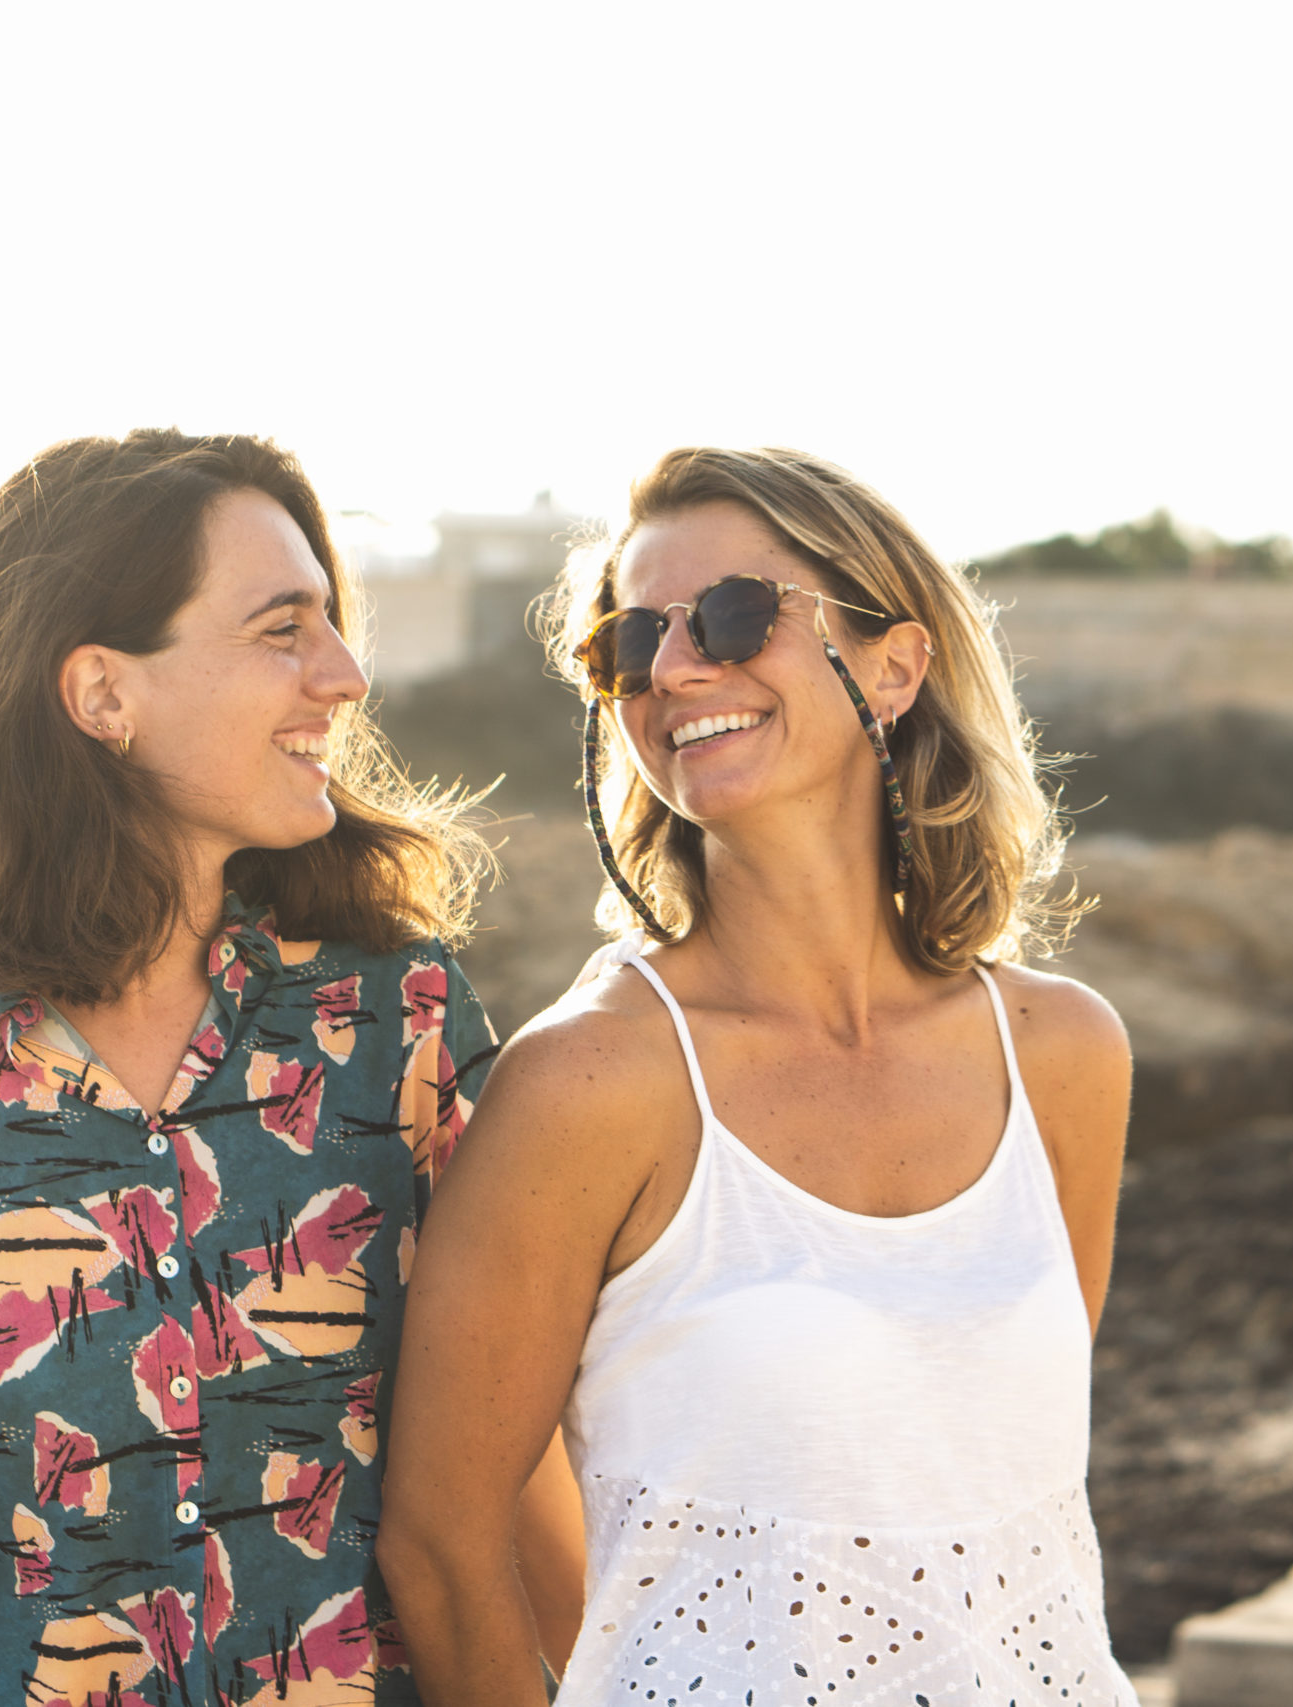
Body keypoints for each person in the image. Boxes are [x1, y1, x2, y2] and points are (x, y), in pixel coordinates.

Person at [0, 430, 583, 1707]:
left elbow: (511, 1474)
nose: (345, 676)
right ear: (102, 695)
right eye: (281, 628)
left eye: (332, 624)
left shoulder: (395, 1029)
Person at [379, 447, 1141, 1706]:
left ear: (894, 666)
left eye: (734, 616)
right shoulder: (589, 1083)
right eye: (630, 642)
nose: (676, 668)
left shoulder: (1063, 1054)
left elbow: (978, 1468)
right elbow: (444, 1546)